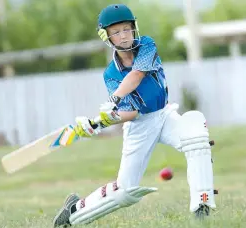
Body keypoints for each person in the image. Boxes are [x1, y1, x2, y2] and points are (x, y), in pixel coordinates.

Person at [53, 4, 217, 227]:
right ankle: (73, 212)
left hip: (164, 114)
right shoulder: (110, 74)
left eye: (127, 29)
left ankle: (202, 207)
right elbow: (131, 113)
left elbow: (137, 75)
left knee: (196, 135)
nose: (123, 36)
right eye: (116, 32)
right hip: (139, 126)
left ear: (134, 28)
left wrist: (114, 100)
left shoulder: (146, 45)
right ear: (107, 37)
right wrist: (102, 122)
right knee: (125, 191)